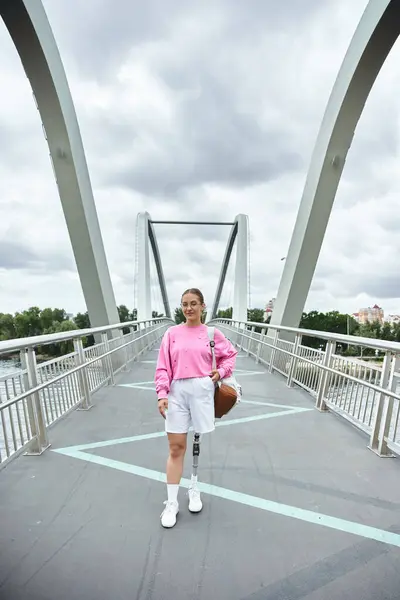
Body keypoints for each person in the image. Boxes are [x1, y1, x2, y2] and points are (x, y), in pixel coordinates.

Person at [154, 287, 238, 528]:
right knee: (176, 445)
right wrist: (161, 394)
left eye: (193, 303)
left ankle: (194, 487)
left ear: (203, 306)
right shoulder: (171, 333)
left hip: (202, 389)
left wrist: (221, 371)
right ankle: (171, 502)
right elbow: (162, 366)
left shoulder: (212, 333)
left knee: (197, 440)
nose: (188, 308)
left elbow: (230, 355)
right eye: (184, 304)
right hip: (176, 392)